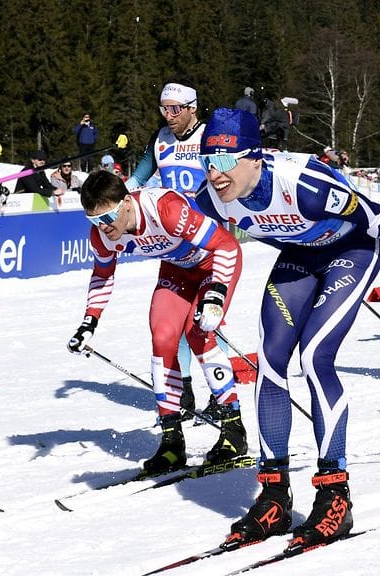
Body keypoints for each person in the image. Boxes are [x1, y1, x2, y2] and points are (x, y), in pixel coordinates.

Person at [195, 108, 380, 550]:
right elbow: (202, 242)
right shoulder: (213, 196)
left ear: (255, 157)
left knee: (313, 357)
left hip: (352, 251)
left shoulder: (304, 185)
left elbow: (372, 214)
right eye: (207, 162)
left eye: (224, 162)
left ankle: (335, 494)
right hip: (299, 257)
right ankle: (274, 493)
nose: (215, 174)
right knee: (270, 361)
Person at [66, 170, 247, 475]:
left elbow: (226, 246)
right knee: (162, 337)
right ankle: (172, 441)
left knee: (198, 334)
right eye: (94, 221)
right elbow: (102, 275)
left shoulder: (165, 209)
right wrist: (89, 322)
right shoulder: (102, 235)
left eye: (107, 217)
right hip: (177, 271)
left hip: (212, 265)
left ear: (126, 202)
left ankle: (233, 430)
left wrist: (215, 294)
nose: (103, 227)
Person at [127, 79, 227, 421]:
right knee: (175, 322)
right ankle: (182, 392)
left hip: (208, 240)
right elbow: (137, 180)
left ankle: (221, 395)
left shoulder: (209, 138)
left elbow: (228, 177)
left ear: (191, 108)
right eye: (163, 109)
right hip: (174, 245)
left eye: (174, 110)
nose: (168, 116)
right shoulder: (160, 139)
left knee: (205, 321)